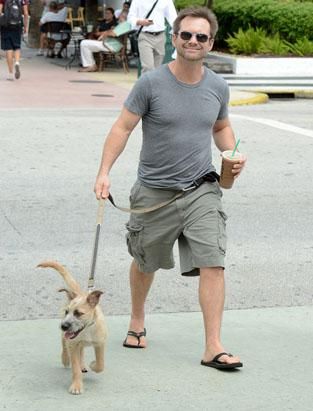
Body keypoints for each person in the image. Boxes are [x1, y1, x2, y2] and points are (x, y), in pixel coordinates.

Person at [94, 7, 246, 370]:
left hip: (201, 189)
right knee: (145, 262)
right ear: (174, 38)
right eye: (187, 35)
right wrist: (104, 172)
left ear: (211, 42)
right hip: (154, 191)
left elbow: (221, 126)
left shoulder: (217, 86)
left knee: (214, 262)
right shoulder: (151, 83)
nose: (194, 41)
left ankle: (213, 346)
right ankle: (136, 320)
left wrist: (232, 152)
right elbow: (122, 128)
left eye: (202, 37)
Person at [127, 0, 177, 73]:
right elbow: (130, 18)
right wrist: (140, 22)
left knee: (158, 68)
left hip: (160, 36)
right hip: (144, 35)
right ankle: (145, 84)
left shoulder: (166, 1)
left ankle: (154, 84)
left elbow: (173, 18)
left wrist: (178, 31)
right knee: (148, 67)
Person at [78, 7, 120, 72]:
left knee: (84, 43)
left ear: (112, 14)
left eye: (108, 13)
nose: (106, 15)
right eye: (105, 13)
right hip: (101, 42)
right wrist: (99, 34)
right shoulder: (102, 22)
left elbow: (112, 31)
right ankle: (90, 65)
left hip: (108, 43)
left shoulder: (115, 23)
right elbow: (96, 31)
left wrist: (102, 34)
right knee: (85, 43)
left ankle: (91, 66)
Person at [0, 0, 29, 80]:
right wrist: (25, 27)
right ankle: (17, 62)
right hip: (18, 25)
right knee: (17, 46)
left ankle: (10, 74)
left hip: (6, 25)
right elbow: (26, 14)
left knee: (8, 49)